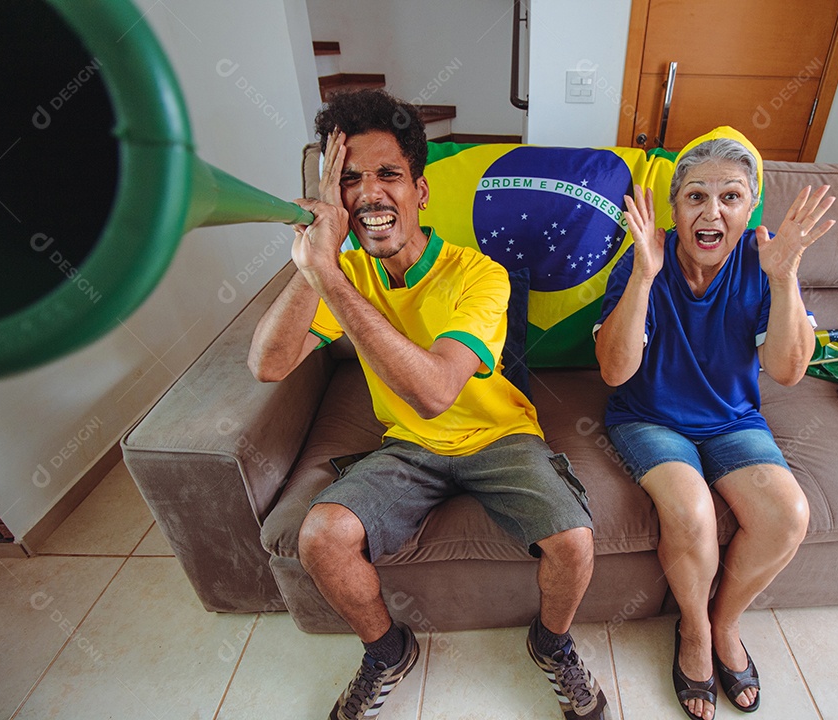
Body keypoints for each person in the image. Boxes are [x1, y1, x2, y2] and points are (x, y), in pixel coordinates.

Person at [247, 89, 608, 720]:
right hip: (408, 446)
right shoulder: (347, 273)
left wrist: (329, 275)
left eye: (388, 175)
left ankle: (552, 645)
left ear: (421, 192)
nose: (369, 194)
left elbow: (438, 392)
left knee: (575, 538)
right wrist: (317, 262)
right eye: (350, 180)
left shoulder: (479, 275)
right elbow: (267, 365)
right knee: (320, 537)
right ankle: (387, 651)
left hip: (500, 437)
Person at [593, 127, 835, 720]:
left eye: (730, 197)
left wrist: (784, 278)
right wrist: (645, 278)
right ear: (676, 210)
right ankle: (695, 632)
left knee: (787, 515)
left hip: (732, 420)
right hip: (649, 417)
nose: (712, 211)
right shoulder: (643, 259)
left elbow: (787, 371)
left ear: (750, 208)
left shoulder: (764, 258)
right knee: (691, 510)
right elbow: (615, 374)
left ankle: (726, 623)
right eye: (695, 196)